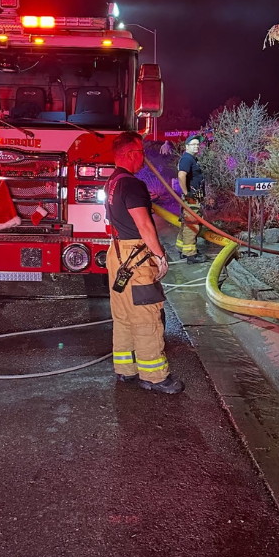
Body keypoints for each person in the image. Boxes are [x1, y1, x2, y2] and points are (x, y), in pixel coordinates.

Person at [104, 132, 184, 394]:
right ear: (129, 154)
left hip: (117, 254)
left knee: (124, 314)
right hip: (136, 258)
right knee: (147, 316)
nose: (144, 157)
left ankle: (126, 369)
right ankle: (154, 376)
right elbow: (144, 224)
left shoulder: (112, 182)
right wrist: (160, 256)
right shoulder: (132, 184)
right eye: (141, 152)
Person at [175, 135, 207, 263]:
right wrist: (187, 193)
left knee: (186, 224)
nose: (196, 146)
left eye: (197, 144)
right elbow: (181, 175)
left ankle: (182, 248)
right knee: (192, 225)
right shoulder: (187, 159)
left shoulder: (192, 159)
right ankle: (190, 255)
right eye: (193, 144)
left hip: (192, 198)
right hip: (192, 199)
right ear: (187, 146)